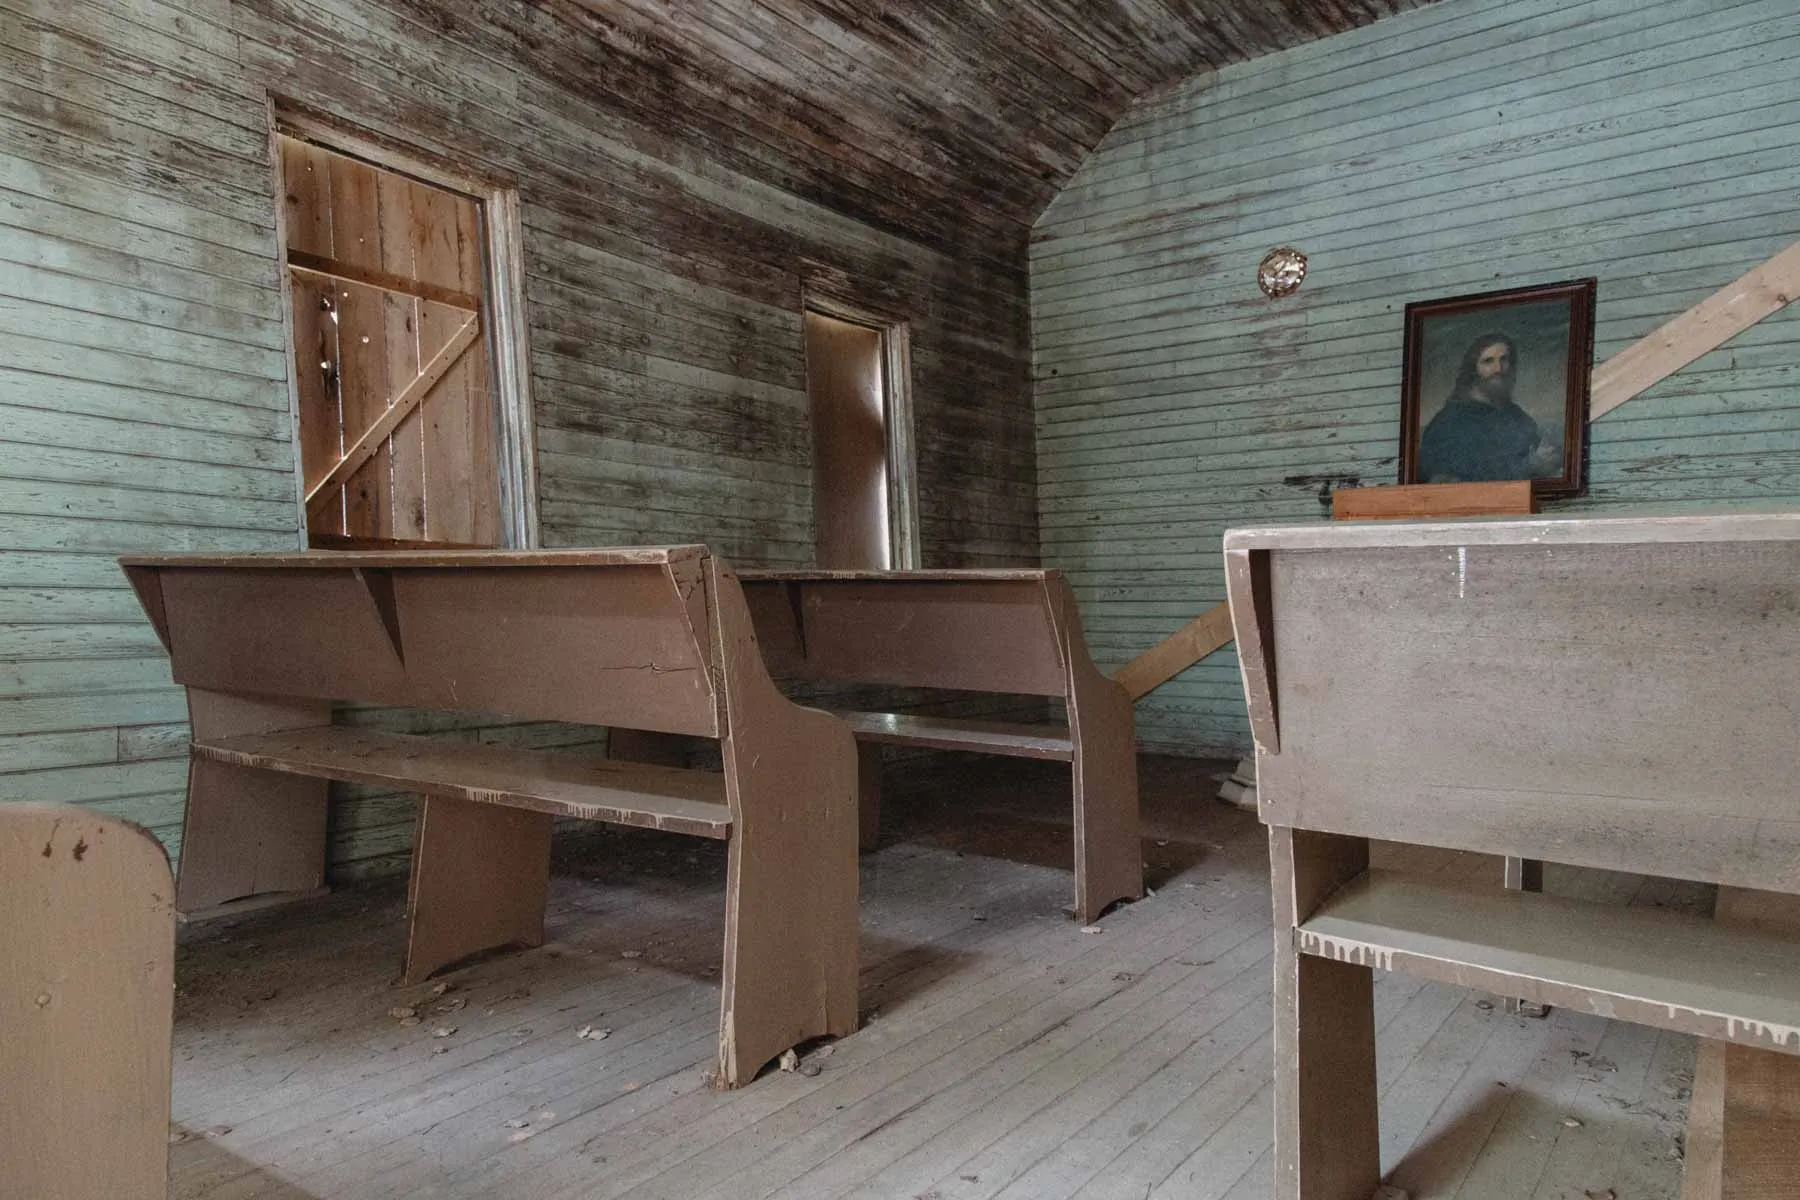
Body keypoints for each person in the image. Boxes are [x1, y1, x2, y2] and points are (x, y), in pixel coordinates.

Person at [1417, 333, 1559, 482]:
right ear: (1473, 369)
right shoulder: (1448, 422)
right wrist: (1530, 466)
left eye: (1504, 360)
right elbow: (1451, 481)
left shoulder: (1517, 416)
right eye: (1488, 361)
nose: (1498, 368)